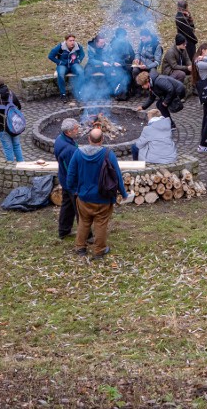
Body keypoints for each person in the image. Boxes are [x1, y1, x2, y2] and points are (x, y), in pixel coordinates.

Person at [67, 127, 132, 258]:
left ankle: (80, 248)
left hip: (84, 197)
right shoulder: (108, 154)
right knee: (100, 224)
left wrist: (73, 190)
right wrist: (124, 194)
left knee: (84, 222)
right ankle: (99, 250)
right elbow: (117, 176)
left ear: (88, 139)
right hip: (103, 197)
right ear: (102, 139)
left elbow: (71, 174)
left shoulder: (78, 153)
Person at [54, 118, 82, 240]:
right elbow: (73, 171)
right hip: (71, 184)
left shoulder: (59, 139)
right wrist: (75, 188)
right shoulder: (70, 150)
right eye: (76, 128)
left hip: (64, 179)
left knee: (67, 205)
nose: (78, 130)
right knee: (80, 210)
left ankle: (64, 231)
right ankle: (86, 235)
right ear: (69, 132)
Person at [0, 77, 24, 163]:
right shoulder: (11, 94)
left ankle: (10, 167)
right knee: (17, 145)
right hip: (13, 125)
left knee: (8, 148)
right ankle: (22, 165)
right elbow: (19, 106)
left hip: (2, 127)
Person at [48, 34, 86, 101]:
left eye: (73, 40)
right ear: (66, 41)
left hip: (74, 64)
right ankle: (63, 94)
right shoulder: (60, 47)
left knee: (81, 72)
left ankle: (79, 92)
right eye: (70, 41)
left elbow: (82, 54)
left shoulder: (78, 46)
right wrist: (59, 62)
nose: (72, 42)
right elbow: (50, 56)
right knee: (60, 74)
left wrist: (79, 60)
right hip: (63, 65)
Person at [106, 28, 136, 100]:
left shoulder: (127, 43)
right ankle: (119, 93)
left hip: (125, 64)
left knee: (129, 72)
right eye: (122, 36)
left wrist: (131, 60)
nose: (124, 38)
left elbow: (132, 55)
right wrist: (113, 62)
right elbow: (107, 56)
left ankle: (125, 92)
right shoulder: (112, 44)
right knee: (121, 74)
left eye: (124, 36)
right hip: (114, 65)